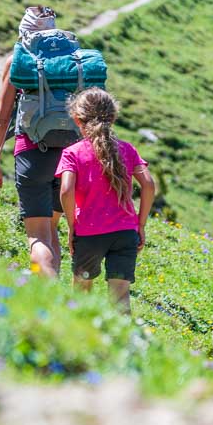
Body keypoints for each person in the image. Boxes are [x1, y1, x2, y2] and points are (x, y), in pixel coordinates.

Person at [0, 6, 67, 278]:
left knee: (38, 235)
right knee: (51, 228)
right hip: (69, 156)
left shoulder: (18, 60)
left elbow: (1, 119)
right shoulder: (69, 60)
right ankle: (57, 292)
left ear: (24, 32)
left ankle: (49, 292)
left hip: (33, 153)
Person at [57, 88, 155, 312]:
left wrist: (72, 226)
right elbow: (149, 185)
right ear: (113, 117)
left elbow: (66, 190)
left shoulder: (72, 153)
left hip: (89, 234)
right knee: (120, 297)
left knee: (81, 291)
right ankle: (122, 334)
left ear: (77, 119)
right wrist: (140, 225)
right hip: (125, 233)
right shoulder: (127, 149)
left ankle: (80, 331)